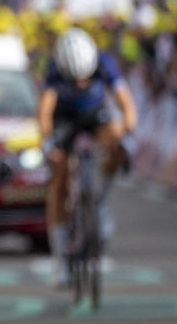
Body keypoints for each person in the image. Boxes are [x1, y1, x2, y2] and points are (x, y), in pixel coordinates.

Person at [38, 27, 138, 284]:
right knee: (58, 180)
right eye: (75, 79)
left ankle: (100, 202)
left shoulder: (105, 63)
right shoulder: (54, 67)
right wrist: (48, 142)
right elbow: (45, 111)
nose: (81, 83)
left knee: (117, 140)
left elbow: (126, 104)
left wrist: (128, 132)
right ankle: (61, 262)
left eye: (86, 77)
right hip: (65, 119)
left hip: (94, 114)